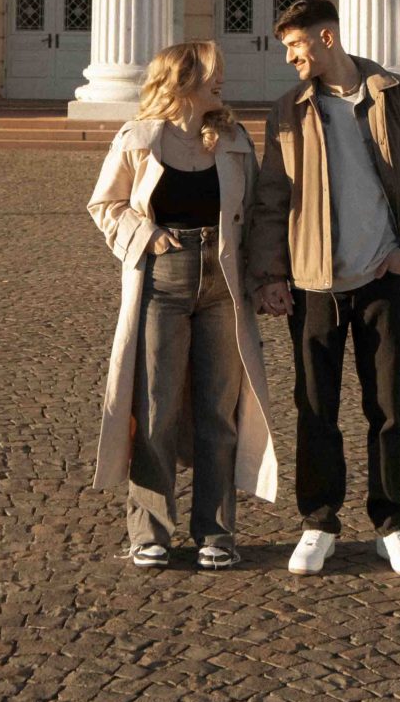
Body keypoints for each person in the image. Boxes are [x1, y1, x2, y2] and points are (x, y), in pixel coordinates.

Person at [248, 0, 400, 576]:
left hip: (382, 280)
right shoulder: (288, 111)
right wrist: (270, 276)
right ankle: (318, 523)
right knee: (315, 410)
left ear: (327, 39)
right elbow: (272, 198)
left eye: (296, 45)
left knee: (387, 409)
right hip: (313, 285)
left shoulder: (398, 98)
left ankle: (393, 524)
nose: (289, 57)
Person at [89, 41, 278, 569]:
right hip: (162, 278)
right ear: (182, 80)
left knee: (219, 409)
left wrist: (266, 276)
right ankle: (149, 532)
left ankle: (216, 533)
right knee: (156, 405)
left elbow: (258, 211)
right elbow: (105, 204)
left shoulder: (234, 139)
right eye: (213, 73)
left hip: (223, 281)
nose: (222, 81)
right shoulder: (138, 138)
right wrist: (146, 234)